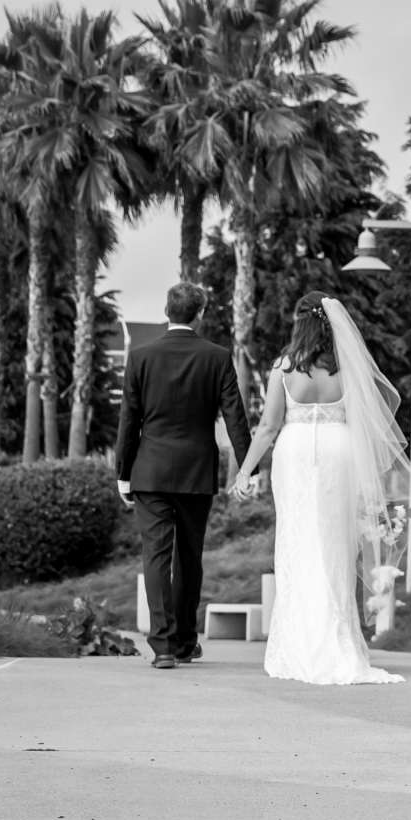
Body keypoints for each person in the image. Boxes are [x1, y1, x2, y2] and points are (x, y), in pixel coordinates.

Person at [229, 292, 411, 686]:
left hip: (296, 454)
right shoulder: (347, 370)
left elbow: (269, 427)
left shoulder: (284, 368)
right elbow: (367, 422)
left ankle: (303, 642)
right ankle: (339, 641)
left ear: (299, 323)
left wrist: (245, 471)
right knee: (337, 544)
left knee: (299, 541)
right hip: (341, 453)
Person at [114, 281, 251, 671]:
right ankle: (187, 641)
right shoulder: (217, 357)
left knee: (155, 556)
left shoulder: (140, 356)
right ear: (201, 313)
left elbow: (129, 421)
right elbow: (235, 415)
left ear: (166, 310)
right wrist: (248, 466)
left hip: (150, 471)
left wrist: (123, 474)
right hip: (196, 471)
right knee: (189, 557)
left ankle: (163, 647)